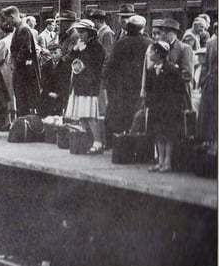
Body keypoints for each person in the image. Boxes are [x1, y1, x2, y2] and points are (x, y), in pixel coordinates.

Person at [103, 15, 152, 143]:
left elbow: (111, 64)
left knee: (121, 112)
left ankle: (119, 141)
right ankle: (136, 142)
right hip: (141, 84)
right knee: (137, 113)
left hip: (122, 85)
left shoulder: (120, 43)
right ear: (142, 28)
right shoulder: (149, 43)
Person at [63, 19, 107, 154]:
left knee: (90, 115)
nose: (80, 35)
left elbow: (95, 65)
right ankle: (87, 141)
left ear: (89, 33)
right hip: (79, 84)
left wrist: (82, 51)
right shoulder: (82, 45)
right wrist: (76, 50)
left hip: (90, 85)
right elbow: (67, 60)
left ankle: (98, 142)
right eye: (79, 32)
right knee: (82, 115)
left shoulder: (96, 46)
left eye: (82, 32)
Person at [145, 41, 188, 173]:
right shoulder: (151, 70)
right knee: (158, 134)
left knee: (168, 134)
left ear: (158, 53)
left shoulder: (172, 70)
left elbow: (179, 90)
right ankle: (160, 160)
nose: (150, 54)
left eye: (152, 51)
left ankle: (167, 161)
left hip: (169, 108)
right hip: (156, 107)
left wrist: (175, 106)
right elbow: (149, 89)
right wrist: (149, 103)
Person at [2, 6, 41, 116]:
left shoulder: (23, 29)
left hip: (24, 73)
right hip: (22, 72)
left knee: (23, 101)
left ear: (12, 16)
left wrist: (16, 64)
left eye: (7, 19)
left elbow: (25, 50)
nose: (7, 23)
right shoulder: (20, 28)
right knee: (21, 100)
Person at [39, 44, 70, 117]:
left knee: (57, 112)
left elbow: (66, 83)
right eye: (51, 53)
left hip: (60, 95)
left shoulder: (65, 66)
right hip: (48, 93)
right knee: (43, 109)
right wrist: (49, 92)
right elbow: (43, 80)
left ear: (61, 53)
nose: (53, 55)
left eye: (55, 53)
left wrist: (58, 94)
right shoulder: (47, 65)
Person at [0, 23, 16, 121]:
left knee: (7, 95)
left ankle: (8, 120)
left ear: (4, 31)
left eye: (0, 30)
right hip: (14, 69)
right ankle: (14, 119)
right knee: (13, 94)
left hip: (5, 71)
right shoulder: (15, 39)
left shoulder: (4, 42)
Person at [198, 27, 217, 142]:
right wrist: (204, 80)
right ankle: (213, 143)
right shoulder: (211, 43)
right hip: (213, 82)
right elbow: (205, 65)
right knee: (211, 113)